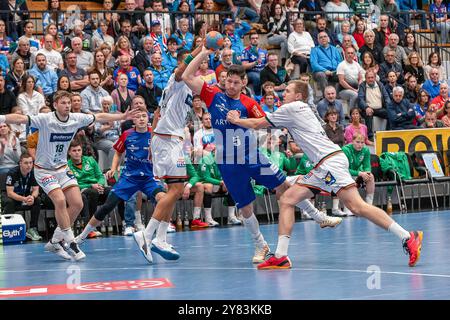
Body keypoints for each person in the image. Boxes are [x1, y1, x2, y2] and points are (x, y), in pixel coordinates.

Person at [226, 80, 423, 269]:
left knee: (357, 206)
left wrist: (236, 119)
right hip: (323, 164)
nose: (282, 94)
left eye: (287, 91)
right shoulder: (305, 109)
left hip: (329, 163)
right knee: (287, 199)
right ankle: (281, 257)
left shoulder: (291, 108)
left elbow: (256, 124)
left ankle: (407, 237)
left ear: (298, 96)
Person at [182, 47, 341, 264]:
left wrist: (241, 121)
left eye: (236, 83)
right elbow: (186, 76)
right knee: (245, 207)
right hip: (227, 162)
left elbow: (266, 124)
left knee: (282, 186)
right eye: (229, 81)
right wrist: (204, 52)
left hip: (251, 156)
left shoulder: (249, 103)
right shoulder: (212, 94)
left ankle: (317, 216)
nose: (231, 85)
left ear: (244, 83)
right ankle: (260, 244)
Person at [0, 90, 140, 261]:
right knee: (59, 200)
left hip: (62, 168)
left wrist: (121, 117)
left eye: (68, 103)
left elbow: (99, 116)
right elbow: (21, 119)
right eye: (63, 103)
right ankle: (71, 242)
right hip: (44, 169)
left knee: (77, 203)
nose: (67, 106)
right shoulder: (45, 119)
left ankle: (55, 240)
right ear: (55, 105)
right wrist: (2, 118)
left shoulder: (76, 118)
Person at [75, 106, 168, 250]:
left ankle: (157, 237)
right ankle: (81, 237)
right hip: (129, 178)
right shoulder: (127, 134)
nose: (141, 119)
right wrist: (113, 168)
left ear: (148, 118)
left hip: (149, 178)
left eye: (144, 116)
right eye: (138, 117)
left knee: (164, 199)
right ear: (133, 120)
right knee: (108, 206)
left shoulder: (154, 134)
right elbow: (118, 152)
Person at [67, 139, 110, 234]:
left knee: (114, 192)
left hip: (97, 187)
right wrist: (91, 185)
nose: (77, 153)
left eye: (79, 150)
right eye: (74, 151)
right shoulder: (67, 166)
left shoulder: (90, 160)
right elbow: (73, 184)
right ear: (69, 152)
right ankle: (90, 227)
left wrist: (100, 184)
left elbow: (100, 176)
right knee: (92, 192)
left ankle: (126, 224)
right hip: (82, 191)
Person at [2, 153, 41, 241]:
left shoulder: (33, 172)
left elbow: (36, 190)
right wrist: (24, 199)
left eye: (31, 163)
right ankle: (9, 229)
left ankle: (32, 229)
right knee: (9, 202)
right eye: (26, 163)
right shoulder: (12, 173)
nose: (29, 165)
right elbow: (10, 193)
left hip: (25, 197)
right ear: (20, 163)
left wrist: (32, 197)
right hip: (11, 197)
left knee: (37, 200)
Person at [342, 133, 375, 215]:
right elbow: (344, 169)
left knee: (370, 176)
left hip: (357, 173)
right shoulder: (345, 150)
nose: (360, 145)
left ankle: (369, 205)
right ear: (352, 141)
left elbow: (367, 166)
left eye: (362, 142)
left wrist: (367, 173)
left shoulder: (366, 150)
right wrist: (359, 173)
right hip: (345, 174)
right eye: (357, 142)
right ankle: (347, 208)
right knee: (349, 178)